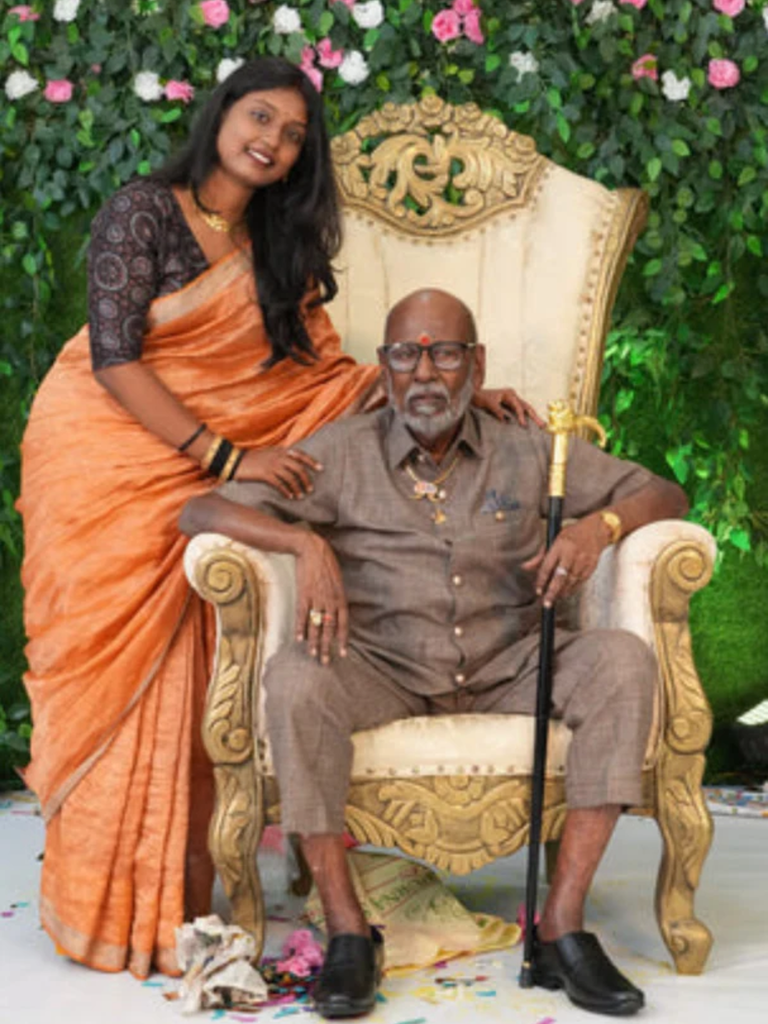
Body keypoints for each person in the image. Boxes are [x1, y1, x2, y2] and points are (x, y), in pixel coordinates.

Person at [17, 60, 536, 979]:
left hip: (209, 457)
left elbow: (314, 383)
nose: (273, 142)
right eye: (261, 117)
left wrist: (449, 392)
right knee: (116, 684)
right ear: (222, 114)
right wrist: (225, 457)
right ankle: (103, 903)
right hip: (104, 458)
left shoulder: (276, 241)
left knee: (196, 674)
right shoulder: (143, 211)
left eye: (294, 135)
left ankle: (178, 900)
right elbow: (114, 358)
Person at [181, 288, 690, 1019]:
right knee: (295, 679)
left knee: (622, 662)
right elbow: (199, 509)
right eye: (405, 356)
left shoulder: (530, 450)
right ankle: (349, 931)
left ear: (476, 365)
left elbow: (664, 494)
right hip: (379, 667)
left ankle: (562, 925)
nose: (424, 373)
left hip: (515, 660)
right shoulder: (339, 452)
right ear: (384, 368)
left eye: (444, 354)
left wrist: (598, 527)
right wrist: (304, 543)